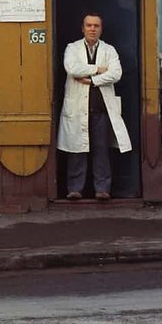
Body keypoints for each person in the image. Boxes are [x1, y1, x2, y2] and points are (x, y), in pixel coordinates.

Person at [57, 12, 130, 200]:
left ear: (101, 29)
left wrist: (92, 81)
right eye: (88, 25)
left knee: (101, 150)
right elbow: (72, 68)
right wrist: (98, 69)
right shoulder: (72, 48)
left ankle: (102, 189)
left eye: (96, 26)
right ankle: (75, 189)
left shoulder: (109, 50)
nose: (92, 29)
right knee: (76, 150)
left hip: (100, 109)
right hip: (77, 109)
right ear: (83, 28)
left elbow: (116, 74)